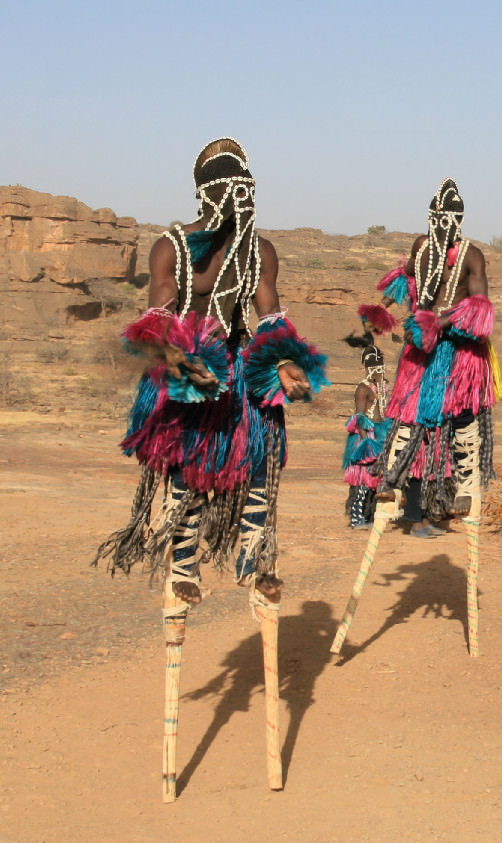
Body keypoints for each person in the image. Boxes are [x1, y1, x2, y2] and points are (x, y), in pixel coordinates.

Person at [94, 137, 326, 608]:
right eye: (233, 193)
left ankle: (256, 558)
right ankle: (184, 566)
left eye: (249, 192)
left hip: (240, 369)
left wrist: (283, 362)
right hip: (188, 369)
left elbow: (269, 313)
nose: (244, 202)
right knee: (191, 471)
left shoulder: (258, 250)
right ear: (208, 194)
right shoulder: (171, 248)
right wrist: (182, 362)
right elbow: (156, 321)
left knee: (260, 462)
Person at [357, 178, 496, 537]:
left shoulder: (472, 256)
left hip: (459, 352)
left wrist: (441, 321)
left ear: (459, 222)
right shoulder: (421, 247)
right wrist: (381, 310)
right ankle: (392, 479)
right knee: (409, 414)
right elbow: (403, 279)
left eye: (450, 222)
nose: (443, 228)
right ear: (431, 219)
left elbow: (479, 308)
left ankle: (466, 487)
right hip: (421, 349)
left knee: (463, 417)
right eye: (438, 220)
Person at [342, 342, 392, 528]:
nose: (380, 372)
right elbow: (360, 416)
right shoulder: (362, 389)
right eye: (376, 368)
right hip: (365, 437)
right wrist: (366, 442)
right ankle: (356, 518)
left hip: (379, 435)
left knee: (375, 480)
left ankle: (369, 515)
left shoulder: (382, 386)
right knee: (362, 480)